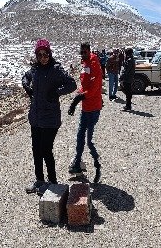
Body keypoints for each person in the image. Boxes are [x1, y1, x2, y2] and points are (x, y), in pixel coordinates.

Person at [21, 39, 77, 194]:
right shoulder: (35, 69)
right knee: (36, 150)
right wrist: (26, 85)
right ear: (37, 55)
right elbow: (25, 77)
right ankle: (39, 181)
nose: (43, 57)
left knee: (46, 149)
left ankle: (52, 181)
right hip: (36, 117)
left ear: (49, 54)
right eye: (40, 54)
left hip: (50, 118)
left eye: (45, 54)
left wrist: (57, 92)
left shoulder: (56, 69)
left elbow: (72, 84)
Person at [68, 42, 104, 183]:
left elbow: (94, 89)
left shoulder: (94, 64)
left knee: (89, 141)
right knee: (79, 136)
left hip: (93, 108)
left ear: (89, 51)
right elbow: (84, 86)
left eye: (85, 51)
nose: (83, 54)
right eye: (81, 52)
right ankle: (77, 164)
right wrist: (77, 95)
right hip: (85, 107)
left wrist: (77, 99)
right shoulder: (85, 64)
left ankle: (97, 165)